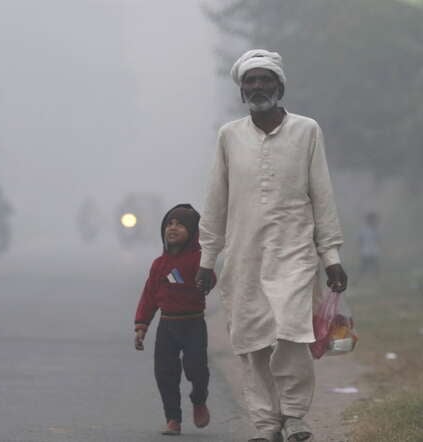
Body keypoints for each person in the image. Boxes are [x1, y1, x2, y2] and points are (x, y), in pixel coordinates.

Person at [195, 49, 348, 442]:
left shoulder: (307, 130)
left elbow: (322, 194)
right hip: (244, 258)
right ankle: (265, 425)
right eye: (251, 81)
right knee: (252, 342)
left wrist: (330, 255)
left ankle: (295, 415)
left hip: (295, 253)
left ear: (280, 86)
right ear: (242, 91)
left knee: (292, 334)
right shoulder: (229, 136)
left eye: (266, 79)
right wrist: (208, 259)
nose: (258, 86)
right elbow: (216, 200)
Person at [133, 204, 215, 436]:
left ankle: (199, 399)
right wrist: (142, 326)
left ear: (193, 232)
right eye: (169, 223)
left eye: (180, 224)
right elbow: (149, 296)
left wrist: (207, 276)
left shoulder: (200, 259)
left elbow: (212, 279)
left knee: (197, 369)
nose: (173, 228)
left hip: (193, 324)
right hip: (167, 325)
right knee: (165, 373)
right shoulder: (159, 265)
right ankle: (173, 419)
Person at [357, 211, 381, 279]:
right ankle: (358, 280)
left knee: (376, 268)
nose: (373, 221)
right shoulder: (363, 230)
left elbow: (378, 240)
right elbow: (359, 240)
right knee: (363, 268)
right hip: (366, 252)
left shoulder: (376, 229)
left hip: (374, 252)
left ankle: (378, 280)